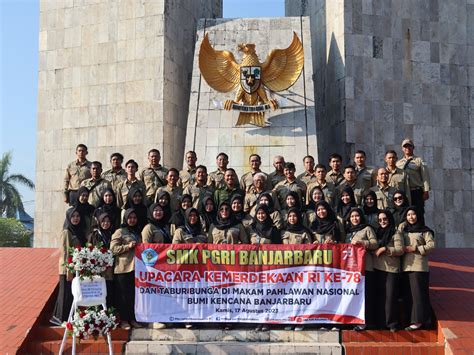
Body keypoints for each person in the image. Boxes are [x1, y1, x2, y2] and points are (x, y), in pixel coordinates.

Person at [50, 208, 86, 325]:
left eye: (78, 216)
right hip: (67, 268)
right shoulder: (67, 232)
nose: (76, 218)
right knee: (65, 293)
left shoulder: (78, 231)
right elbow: (65, 252)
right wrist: (68, 270)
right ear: (69, 218)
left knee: (72, 293)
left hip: (75, 268)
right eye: (73, 216)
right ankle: (61, 318)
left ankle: (67, 317)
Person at [401, 206, 435, 331]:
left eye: (413, 214)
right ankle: (411, 320)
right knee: (409, 295)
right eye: (408, 215)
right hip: (406, 266)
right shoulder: (405, 230)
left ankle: (419, 321)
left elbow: (431, 245)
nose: (411, 217)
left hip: (419, 267)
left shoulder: (425, 231)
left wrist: (416, 248)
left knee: (418, 295)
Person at [344, 208, 378, 331]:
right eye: (352, 217)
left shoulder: (367, 229)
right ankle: (355, 320)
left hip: (366, 267)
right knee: (354, 296)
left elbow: (375, 243)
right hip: (351, 270)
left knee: (366, 296)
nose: (354, 219)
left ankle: (366, 321)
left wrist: (362, 242)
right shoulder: (348, 232)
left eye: (356, 216)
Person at [111, 208, 143, 330]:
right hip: (123, 268)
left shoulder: (137, 232)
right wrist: (127, 246)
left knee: (132, 295)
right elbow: (113, 249)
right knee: (123, 296)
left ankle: (132, 318)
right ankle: (124, 320)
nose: (132, 220)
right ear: (125, 218)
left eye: (134, 218)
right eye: (130, 218)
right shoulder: (120, 232)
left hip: (136, 268)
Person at [373, 210, 404, 331]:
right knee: (380, 297)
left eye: (384, 219)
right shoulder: (377, 233)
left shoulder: (396, 233)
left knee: (391, 297)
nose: (382, 222)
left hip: (391, 269)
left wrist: (385, 249)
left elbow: (400, 250)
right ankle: (381, 323)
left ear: (389, 219)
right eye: (380, 220)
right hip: (378, 268)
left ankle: (392, 323)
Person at [87, 213, 115, 308]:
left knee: (110, 291)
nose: (106, 223)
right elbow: (89, 251)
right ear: (99, 222)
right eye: (103, 221)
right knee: (98, 291)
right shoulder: (94, 235)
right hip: (98, 269)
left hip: (111, 269)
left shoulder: (113, 234)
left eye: (108, 221)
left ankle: (109, 314)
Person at [396, 139, 430, 216]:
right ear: (402, 149)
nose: (407, 148)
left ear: (413, 147)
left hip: (416, 191)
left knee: (418, 213)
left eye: (409, 146)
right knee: (405, 213)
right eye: (405, 146)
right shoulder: (398, 163)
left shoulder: (419, 160)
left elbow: (425, 175)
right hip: (404, 192)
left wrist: (426, 191)